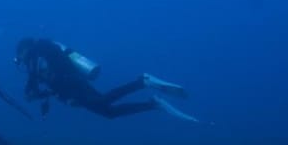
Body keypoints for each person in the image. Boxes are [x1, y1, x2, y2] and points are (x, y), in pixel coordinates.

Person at [14, 37, 199, 122]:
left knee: (103, 102)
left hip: (73, 85)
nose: (19, 60)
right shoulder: (40, 57)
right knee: (108, 113)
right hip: (73, 86)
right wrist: (63, 98)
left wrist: (33, 94)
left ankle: (142, 81)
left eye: (19, 55)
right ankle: (153, 105)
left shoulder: (35, 56)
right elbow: (50, 84)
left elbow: (41, 84)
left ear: (24, 50)